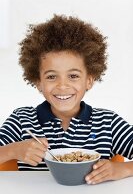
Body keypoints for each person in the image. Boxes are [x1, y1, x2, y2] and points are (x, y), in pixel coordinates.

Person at [0, 14, 133, 184]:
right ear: (38, 82)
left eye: (73, 76)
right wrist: (12, 151)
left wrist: (123, 169)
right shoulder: (22, 120)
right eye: (51, 77)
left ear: (89, 80)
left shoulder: (108, 123)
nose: (62, 86)